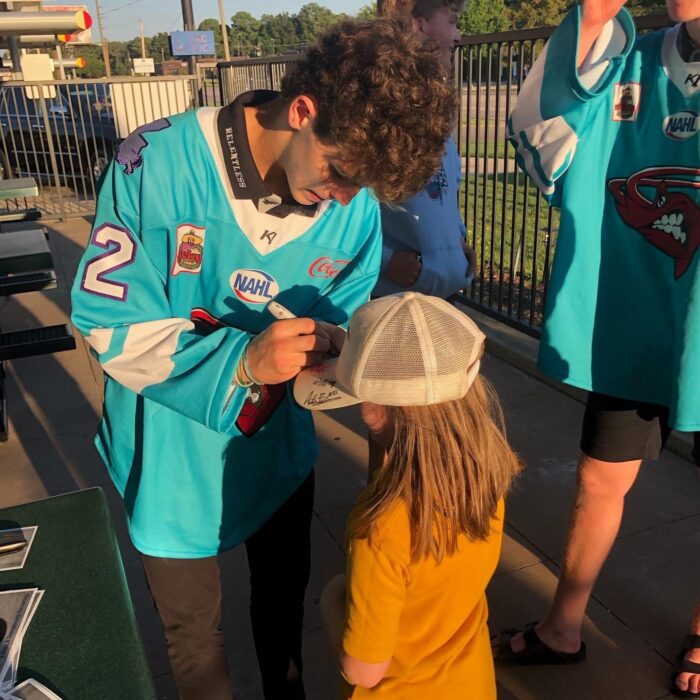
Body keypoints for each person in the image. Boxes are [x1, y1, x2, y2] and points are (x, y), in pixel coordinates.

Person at [70, 19, 456, 700]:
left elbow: (342, 304)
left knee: (284, 613)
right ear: (303, 111)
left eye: (360, 188)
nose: (343, 198)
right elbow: (107, 323)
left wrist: (336, 347)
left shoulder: (353, 207)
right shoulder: (152, 163)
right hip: (170, 464)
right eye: (338, 172)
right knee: (195, 645)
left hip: (277, 457)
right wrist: (242, 362)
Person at [496, 1, 700, 697]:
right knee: (598, 479)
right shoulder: (624, 59)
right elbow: (539, 131)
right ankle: (564, 625)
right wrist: (591, 20)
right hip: (633, 322)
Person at [292, 291, 521, 698]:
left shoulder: (379, 530)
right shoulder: (483, 477)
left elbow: (364, 671)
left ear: (377, 408)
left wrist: (333, 598)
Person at [374, 0, 475, 299]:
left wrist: (457, 241)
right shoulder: (376, 105)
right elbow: (342, 206)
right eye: (453, 21)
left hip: (441, 298)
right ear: (419, 26)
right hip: (394, 305)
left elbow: (446, 186)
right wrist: (385, 260)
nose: (458, 37)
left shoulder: (437, 105)